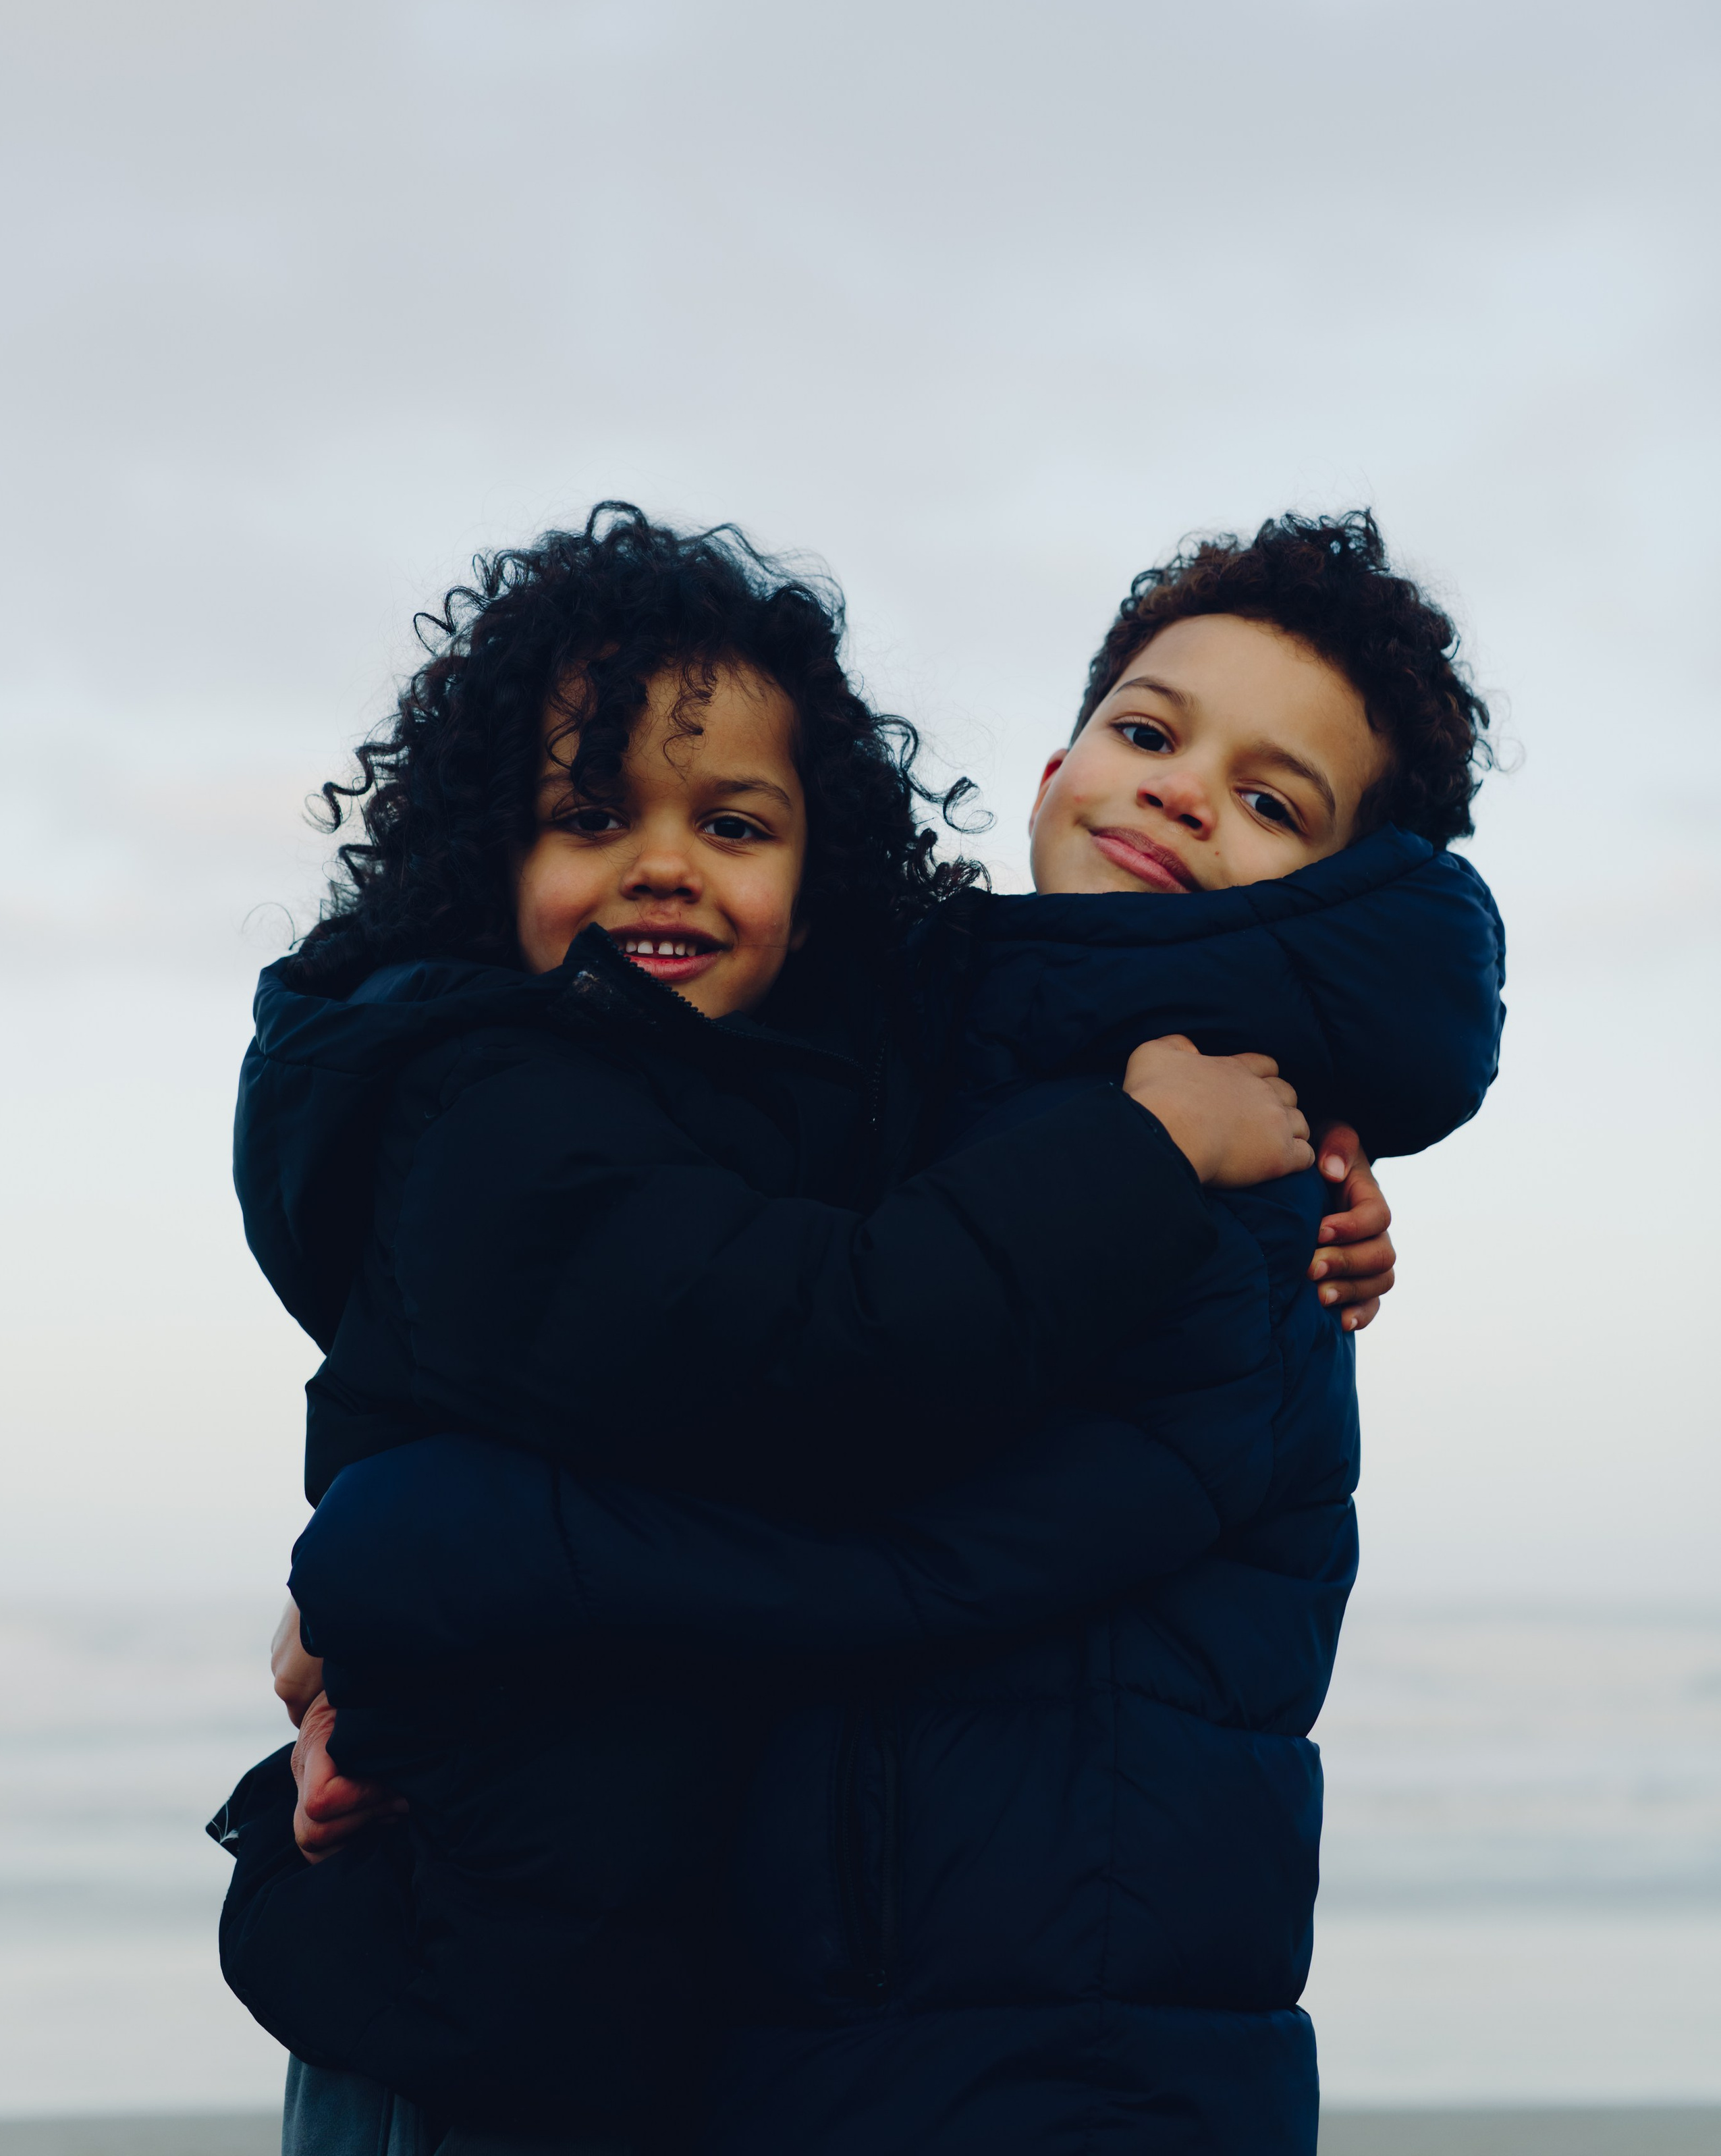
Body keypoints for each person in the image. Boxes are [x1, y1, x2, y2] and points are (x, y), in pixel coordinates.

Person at [211, 505, 1390, 2153]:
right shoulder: (557, 1091)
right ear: (1052, 774)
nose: (1186, 789)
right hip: (499, 1969)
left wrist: (397, 1554)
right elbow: (783, 1360)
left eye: (1272, 798)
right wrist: (384, 1572)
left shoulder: (1179, 1169)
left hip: (1015, 2057)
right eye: (1143, 729)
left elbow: (877, 1483)